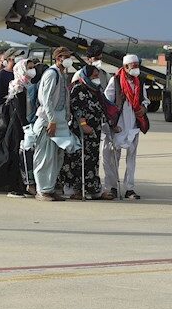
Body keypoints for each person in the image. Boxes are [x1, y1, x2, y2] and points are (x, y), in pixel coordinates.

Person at [0, 58, 37, 197]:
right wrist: (26, 127)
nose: (32, 70)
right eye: (29, 67)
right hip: (17, 126)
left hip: (22, 125)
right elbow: (19, 109)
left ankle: (21, 185)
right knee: (14, 155)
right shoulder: (18, 86)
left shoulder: (27, 85)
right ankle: (14, 187)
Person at [32, 47, 79, 201]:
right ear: (58, 58)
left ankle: (50, 188)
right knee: (45, 157)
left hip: (59, 122)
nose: (68, 60)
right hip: (48, 121)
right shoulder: (52, 74)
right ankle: (42, 191)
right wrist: (52, 120)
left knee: (56, 157)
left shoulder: (61, 74)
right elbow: (46, 99)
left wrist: (66, 116)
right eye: (66, 57)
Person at [101, 54, 148, 200]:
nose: (136, 68)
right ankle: (112, 187)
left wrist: (143, 108)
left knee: (131, 157)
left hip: (133, 125)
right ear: (126, 67)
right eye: (133, 66)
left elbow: (145, 100)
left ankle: (129, 188)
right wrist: (112, 124)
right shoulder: (115, 81)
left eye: (137, 65)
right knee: (112, 156)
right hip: (118, 126)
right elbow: (107, 103)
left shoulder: (139, 81)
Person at [59, 65, 107, 200]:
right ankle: (76, 189)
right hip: (82, 131)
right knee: (78, 160)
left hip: (94, 131)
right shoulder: (79, 89)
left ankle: (92, 189)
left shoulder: (96, 90)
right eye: (94, 76)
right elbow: (77, 108)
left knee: (92, 160)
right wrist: (83, 124)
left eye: (97, 76)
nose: (97, 79)